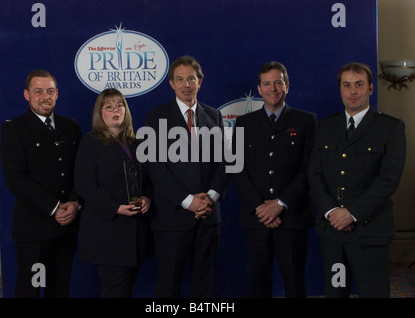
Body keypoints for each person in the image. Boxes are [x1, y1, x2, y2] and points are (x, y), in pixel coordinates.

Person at [308, 62, 406, 297]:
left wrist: (351, 213)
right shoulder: (326, 126)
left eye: (359, 85)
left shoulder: (390, 128)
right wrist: (332, 211)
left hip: (370, 230)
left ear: (371, 89)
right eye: (347, 85)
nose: (353, 91)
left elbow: (388, 179)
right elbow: (314, 173)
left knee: (373, 292)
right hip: (333, 232)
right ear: (340, 89)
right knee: (336, 291)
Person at [144, 55, 228, 297]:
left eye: (191, 79)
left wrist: (209, 198)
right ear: (171, 83)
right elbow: (156, 169)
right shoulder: (155, 118)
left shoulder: (215, 116)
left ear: (200, 81)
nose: (186, 85)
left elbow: (224, 163)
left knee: (205, 286)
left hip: (208, 217)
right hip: (172, 219)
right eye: (179, 80)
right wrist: (189, 202)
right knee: (168, 288)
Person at [232, 61, 317, 298]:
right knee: (258, 280)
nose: (273, 88)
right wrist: (260, 207)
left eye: (278, 83)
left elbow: (309, 168)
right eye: (266, 84)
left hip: (292, 216)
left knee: (294, 281)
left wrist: (280, 204)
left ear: (287, 86)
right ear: (259, 89)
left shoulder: (306, 120)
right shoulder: (244, 123)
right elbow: (237, 169)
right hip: (256, 217)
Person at [0, 69, 82, 297]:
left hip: (66, 228)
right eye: (38, 91)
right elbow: (15, 178)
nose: (45, 96)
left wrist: (74, 203)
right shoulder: (14, 129)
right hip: (33, 230)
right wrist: (55, 207)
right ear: (27, 95)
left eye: (50, 91)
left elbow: (80, 171)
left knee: (60, 290)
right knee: (31, 289)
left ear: (57, 94)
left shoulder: (70, 127)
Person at [74, 88, 153, 298]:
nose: (115, 110)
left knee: (126, 290)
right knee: (115, 292)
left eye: (119, 105)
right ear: (100, 113)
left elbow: (149, 180)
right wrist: (116, 208)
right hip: (107, 233)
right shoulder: (91, 143)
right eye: (108, 107)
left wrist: (147, 197)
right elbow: (85, 185)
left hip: (135, 233)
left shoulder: (137, 143)